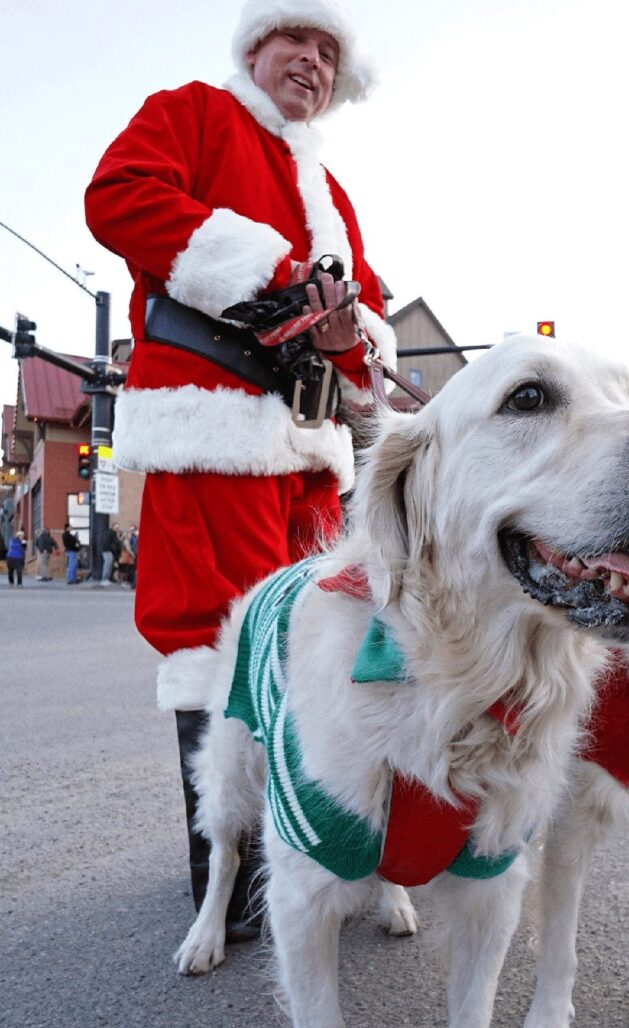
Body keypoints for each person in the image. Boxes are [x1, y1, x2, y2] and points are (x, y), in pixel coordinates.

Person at [84, 0, 396, 938]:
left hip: (307, 448)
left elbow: (366, 316)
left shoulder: (330, 190)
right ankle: (229, 865)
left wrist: (353, 335)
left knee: (315, 636)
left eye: (328, 53)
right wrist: (269, 267)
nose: (311, 61)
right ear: (254, 48)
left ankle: (305, 838)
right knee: (210, 638)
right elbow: (118, 197)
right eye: (295, 40)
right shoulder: (189, 112)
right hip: (210, 425)